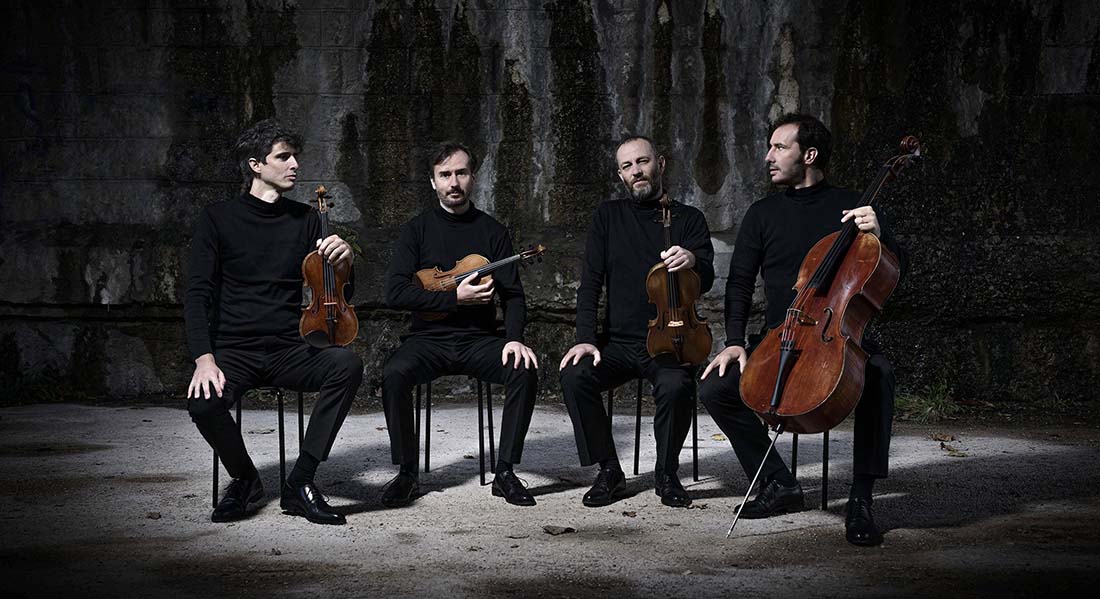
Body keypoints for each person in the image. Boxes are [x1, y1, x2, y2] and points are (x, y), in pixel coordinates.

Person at [699, 113, 909, 546]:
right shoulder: (762, 213)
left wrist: (882, 233)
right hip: (782, 337)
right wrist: (735, 342)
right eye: (769, 147)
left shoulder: (854, 207)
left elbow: (895, 267)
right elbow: (739, 282)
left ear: (809, 155)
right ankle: (779, 483)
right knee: (715, 388)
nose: (768, 157)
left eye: (779, 148)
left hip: (841, 335)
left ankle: (861, 498)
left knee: (879, 376)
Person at [184, 119, 362, 525]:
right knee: (202, 401)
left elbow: (334, 298)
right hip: (235, 350)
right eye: (283, 157)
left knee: (347, 364)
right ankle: (246, 479)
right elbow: (197, 295)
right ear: (255, 165)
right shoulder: (217, 219)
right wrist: (204, 359)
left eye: (295, 155)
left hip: (290, 348)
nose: (295, 164)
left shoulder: (306, 219)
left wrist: (344, 263)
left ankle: (300, 482)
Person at [380, 141, 540, 507]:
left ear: (473, 177)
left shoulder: (493, 231)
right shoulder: (415, 230)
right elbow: (395, 292)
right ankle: (407, 473)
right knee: (394, 374)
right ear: (433, 181)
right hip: (427, 340)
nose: (454, 182)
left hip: (480, 340)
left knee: (524, 370)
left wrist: (514, 339)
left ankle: (505, 472)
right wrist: (453, 299)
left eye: (461, 173)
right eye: (445, 174)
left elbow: (513, 295)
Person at [559, 135, 715, 508]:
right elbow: (591, 281)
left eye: (642, 162)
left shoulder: (689, 218)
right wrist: (585, 338)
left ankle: (666, 472)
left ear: (659, 164)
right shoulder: (608, 216)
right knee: (574, 374)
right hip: (618, 343)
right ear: (620, 174)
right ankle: (609, 469)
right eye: (627, 166)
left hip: (670, 341)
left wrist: (692, 260)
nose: (636, 171)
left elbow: (706, 276)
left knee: (678, 386)